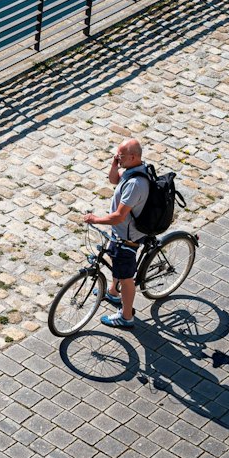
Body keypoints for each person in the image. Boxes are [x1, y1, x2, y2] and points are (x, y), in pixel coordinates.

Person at [81, 138, 148, 329]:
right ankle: (112, 292)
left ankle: (126, 317)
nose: (118, 158)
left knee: (127, 279)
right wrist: (114, 163)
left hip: (128, 237)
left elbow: (118, 216)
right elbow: (113, 180)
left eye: (121, 156)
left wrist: (96, 220)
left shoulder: (135, 183)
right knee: (115, 259)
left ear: (133, 157)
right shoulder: (131, 169)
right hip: (119, 232)